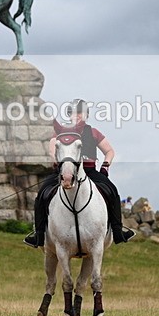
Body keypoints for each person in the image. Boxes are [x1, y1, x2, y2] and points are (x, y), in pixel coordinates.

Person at [24, 99, 135, 247]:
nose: (77, 115)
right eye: (73, 112)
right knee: (42, 194)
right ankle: (39, 234)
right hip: (65, 170)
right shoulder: (61, 131)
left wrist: (105, 167)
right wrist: (61, 163)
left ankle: (117, 230)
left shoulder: (93, 132)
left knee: (112, 190)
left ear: (86, 115)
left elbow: (109, 151)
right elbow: (52, 150)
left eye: (80, 112)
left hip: (89, 170)